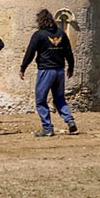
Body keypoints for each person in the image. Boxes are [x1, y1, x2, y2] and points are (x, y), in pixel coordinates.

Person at [19, 9, 78, 137]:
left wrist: (23, 67)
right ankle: (69, 120)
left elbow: (30, 52)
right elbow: (69, 52)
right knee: (59, 98)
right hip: (59, 71)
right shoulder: (61, 33)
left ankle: (47, 127)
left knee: (40, 99)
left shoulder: (39, 35)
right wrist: (71, 67)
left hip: (46, 70)